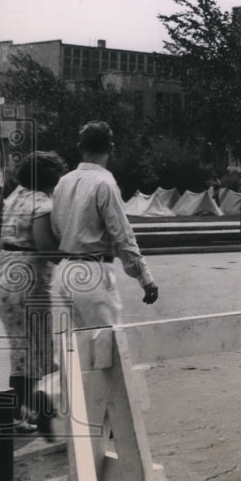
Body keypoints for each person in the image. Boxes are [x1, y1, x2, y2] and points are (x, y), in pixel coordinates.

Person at [51, 121, 159, 329]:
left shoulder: (63, 182)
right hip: (94, 274)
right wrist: (145, 277)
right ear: (111, 148)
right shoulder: (104, 183)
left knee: (82, 351)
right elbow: (122, 236)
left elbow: (55, 228)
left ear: (79, 147)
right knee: (109, 349)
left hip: (66, 273)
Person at [0, 151, 67, 435]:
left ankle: (27, 410)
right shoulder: (41, 203)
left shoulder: (16, 196)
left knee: (22, 350)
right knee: (32, 352)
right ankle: (24, 412)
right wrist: (78, 255)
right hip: (27, 284)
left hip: (4, 278)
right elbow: (47, 248)